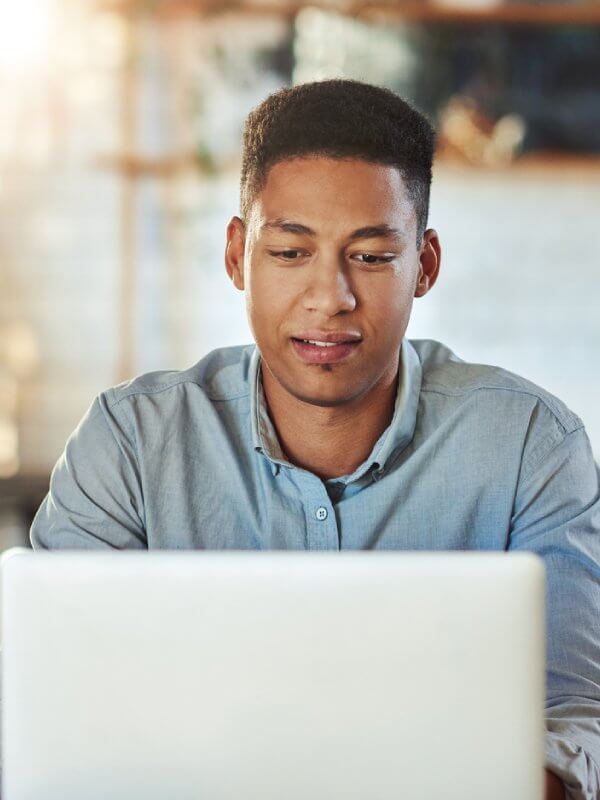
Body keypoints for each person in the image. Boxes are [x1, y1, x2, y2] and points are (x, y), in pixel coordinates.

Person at [21, 79, 600, 799]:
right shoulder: (130, 446)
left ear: (424, 265)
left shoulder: (529, 446)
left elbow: (575, 712)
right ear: (237, 254)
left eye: (372, 257)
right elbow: (52, 700)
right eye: (291, 252)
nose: (330, 298)